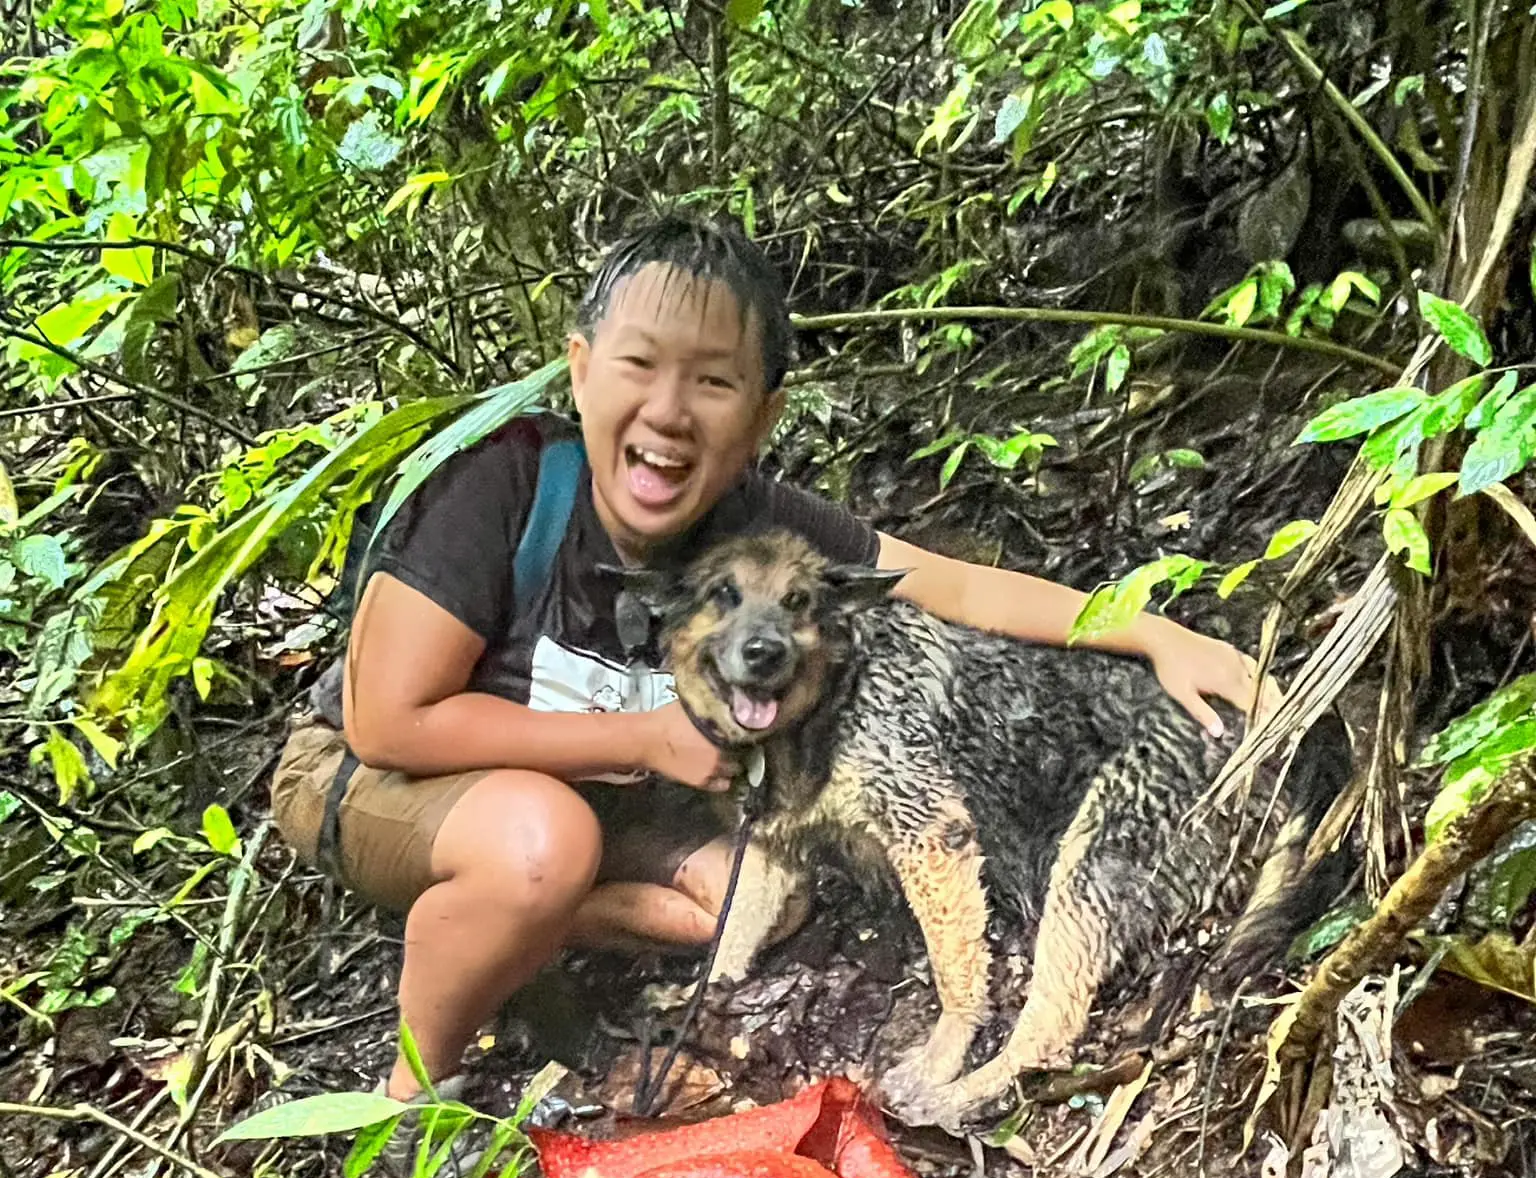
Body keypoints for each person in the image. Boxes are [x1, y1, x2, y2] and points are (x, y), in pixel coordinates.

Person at [271, 215, 1266, 1106]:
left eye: (713, 381)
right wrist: (644, 740)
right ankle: (416, 1091)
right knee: (543, 840)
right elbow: (389, 721)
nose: (670, 410)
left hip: (583, 793)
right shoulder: (499, 491)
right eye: (638, 364)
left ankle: (523, 927)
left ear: (762, 414)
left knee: (753, 899)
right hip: (376, 778)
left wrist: (1151, 631)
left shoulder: (756, 524)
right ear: (580, 369)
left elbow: (954, 588)